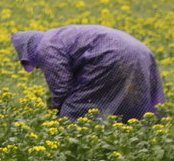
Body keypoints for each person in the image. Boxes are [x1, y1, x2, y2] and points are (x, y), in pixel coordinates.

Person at [11, 25, 165, 122]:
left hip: (111, 55)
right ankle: (141, 131)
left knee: (75, 107)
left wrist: (55, 114)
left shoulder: (45, 48)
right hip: (140, 51)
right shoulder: (55, 36)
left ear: (28, 50)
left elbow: (62, 88)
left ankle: (72, 145)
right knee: (132, 99)